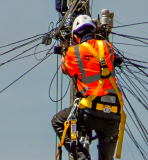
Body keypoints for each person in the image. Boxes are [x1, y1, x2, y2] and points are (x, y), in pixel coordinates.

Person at [51, 15, 125, 160]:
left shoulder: (74, 52)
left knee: (58, 121)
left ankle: (81, 157)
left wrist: (65, 50)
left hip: (90, 112)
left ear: (76, 36)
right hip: (113, 115)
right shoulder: (107, 46)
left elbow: (65, 68)